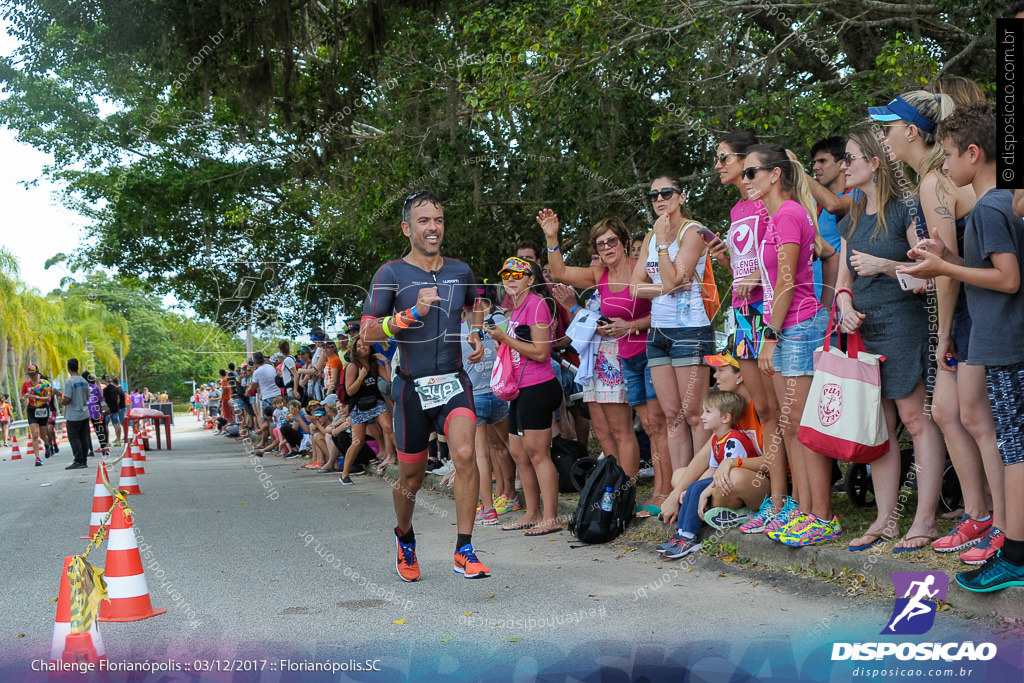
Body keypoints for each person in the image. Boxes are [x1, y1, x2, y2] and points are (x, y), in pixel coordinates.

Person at [871, 90, 999, 561]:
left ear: (911, 132)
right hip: (974, 306)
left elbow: (947, 269)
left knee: (972, 418)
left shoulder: (932, 182)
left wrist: (943, 333)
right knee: (950, 414)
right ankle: (979, 513)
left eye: (887, 129)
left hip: (970, 309)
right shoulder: (930, 177)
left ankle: (993, 520)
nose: (883, 139)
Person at [901, 102, 1024, 592]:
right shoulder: (1002, 204)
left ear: (974, 153)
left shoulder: (992, 206)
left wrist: (945, 270)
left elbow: (1008, 279)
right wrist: (948, 256)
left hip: (1005, 344)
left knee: (1015, 450)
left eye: (949, 156)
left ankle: (1014, 553)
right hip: (1001, 341)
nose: (945, 167)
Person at [361, 190, 489, 581]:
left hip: (453, 380)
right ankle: (404, 537)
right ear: (407, 228)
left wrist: (477, 333)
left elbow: (476, 304)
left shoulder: (460, 270)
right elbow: (367, 332)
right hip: (410, 387)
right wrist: (410, 314)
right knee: (410, 479)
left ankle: (464, 549)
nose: (433, 227)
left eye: (438, 220)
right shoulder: (391, 274)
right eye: (423, 220)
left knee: (465, 453)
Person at [835, 126, 945, 553]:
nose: (844, 165)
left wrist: (885, 266)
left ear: (874, 163)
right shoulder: (851, 219)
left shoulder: (906, 211)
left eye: (850, 157)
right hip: (865, 333)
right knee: (879, 429)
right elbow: (843, 281)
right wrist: (843, 305)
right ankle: (885, 520)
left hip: (903, 326)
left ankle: (925, 520)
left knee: (917, 422)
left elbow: (928, 277)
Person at [741, 144, 840, 546]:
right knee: (791, 422)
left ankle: (823, 515)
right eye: (744, 173)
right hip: (788, 326)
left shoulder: (788, 214)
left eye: (751, 173)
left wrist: (773, 334)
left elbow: (786, 282)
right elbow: (826, 253)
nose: (746, 180)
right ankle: (802, 508)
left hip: (794, 328)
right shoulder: (777, 217)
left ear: (774, 174)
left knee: (802, 422)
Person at [541, 210, 669, 516]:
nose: (607, 248)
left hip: (636, 353)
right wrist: (551, 236)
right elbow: (558, 272)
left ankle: (632, 491)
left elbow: (665, 308)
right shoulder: (601, 275)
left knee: (634, 428)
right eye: (600, 245)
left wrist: (632, 324)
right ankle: (612, 490)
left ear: (624, 242)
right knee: (603, 429)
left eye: (612, 241)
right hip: (600, 356)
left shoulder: (643, 270)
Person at [709, 131, 789, 530]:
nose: (719, 166)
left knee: (783, 409)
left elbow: (786, 256)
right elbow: (745, 274)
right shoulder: (738, 212)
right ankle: (773, 500)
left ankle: (785, 499)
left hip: (770, 312)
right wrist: (730, 265)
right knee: (765, 409)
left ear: (747, 161)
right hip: (742, 315)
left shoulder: (769, 204)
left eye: (724, 158)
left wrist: (757, 273)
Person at [630, 174, 714, 475]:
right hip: (658, 330)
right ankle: (681, 487)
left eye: (666, 193)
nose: (659, 199)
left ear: (682, 196)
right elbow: (635, 287)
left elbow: (672, 278)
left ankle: (700, 484)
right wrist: (668, 286)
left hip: (690, 329)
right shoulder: (651, 235)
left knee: (695, 414)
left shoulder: (693, 231)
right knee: (672, 416)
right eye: (653, 195)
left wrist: (665, 246)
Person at [487, 257, 563, 536]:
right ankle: (532, 512)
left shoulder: (538, 305)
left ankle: (551, 517)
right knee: (519, 453)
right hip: (520, 390)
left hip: (539, 387)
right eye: (506, 275)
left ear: (530, 279)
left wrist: (506, 339)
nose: (510, 279)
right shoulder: (516, 308)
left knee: (538, 453)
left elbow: (542, 353)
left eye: (517, 275)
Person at [658, 390, 761, 559]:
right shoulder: (717, 439)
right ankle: (681, 533)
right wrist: (690, 489)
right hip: (721, 480)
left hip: (737, 483)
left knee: (698, 488)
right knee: (694, 485)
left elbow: (726, 473)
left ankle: (690, 537)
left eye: (708, 412)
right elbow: (712, 470)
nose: (702, 416)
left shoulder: (733, 440)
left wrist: (703, 492)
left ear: (725, 418)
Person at [338, 335, 395, 485]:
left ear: (370, 347)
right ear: (354, 350)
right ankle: (344, 474)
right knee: (358, 442)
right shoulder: (352, 366)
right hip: (359, 405)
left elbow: (388, 379)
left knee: (389, 427)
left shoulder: (375, 363)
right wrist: (361, 376)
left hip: (376, 401)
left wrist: (386, 361)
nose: (362, 347)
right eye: (358, 346)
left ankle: (406, 459)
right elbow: (350, 391)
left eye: (365, 345)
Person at [61, 358, 91, 470]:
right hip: (84, 412)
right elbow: (88, 396)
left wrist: (62, 401)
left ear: (68, 368)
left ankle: (78, 460)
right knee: (84, 437)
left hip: (73, 414)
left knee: (74, 438)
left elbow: (67, 398)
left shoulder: (69, 382)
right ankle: (84, 460)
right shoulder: (83, 381)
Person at [21, 364, 52, 465]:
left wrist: (36, 398)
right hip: (32, 410)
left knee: (43, 434)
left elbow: (48, 398)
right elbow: (22, 396)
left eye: (33, 374)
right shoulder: (26, 384)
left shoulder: (45, 384)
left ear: (37, 373)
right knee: (34, 434)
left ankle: (47, 445)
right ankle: (37, 458)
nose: (32, 376)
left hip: (43, 409)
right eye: (30, 375)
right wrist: (23, 398)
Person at [83, 372, 109, 457]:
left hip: (85, 412)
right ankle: (104, 447)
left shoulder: (82, 388)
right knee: (99, 430)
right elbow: (100, 400)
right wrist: (101, 412)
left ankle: (90, 450)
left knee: (86, 432)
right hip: (95, 411)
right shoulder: (95, 387)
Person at [102, 376, 124, 446]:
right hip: (115, 408)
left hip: (108, 409)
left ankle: (107, 442)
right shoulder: (115, 388)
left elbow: (104, 400)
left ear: (104, 380)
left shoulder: (105, 390)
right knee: (116, 424)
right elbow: (118, 399)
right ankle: (118, 440)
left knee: (105, 425)